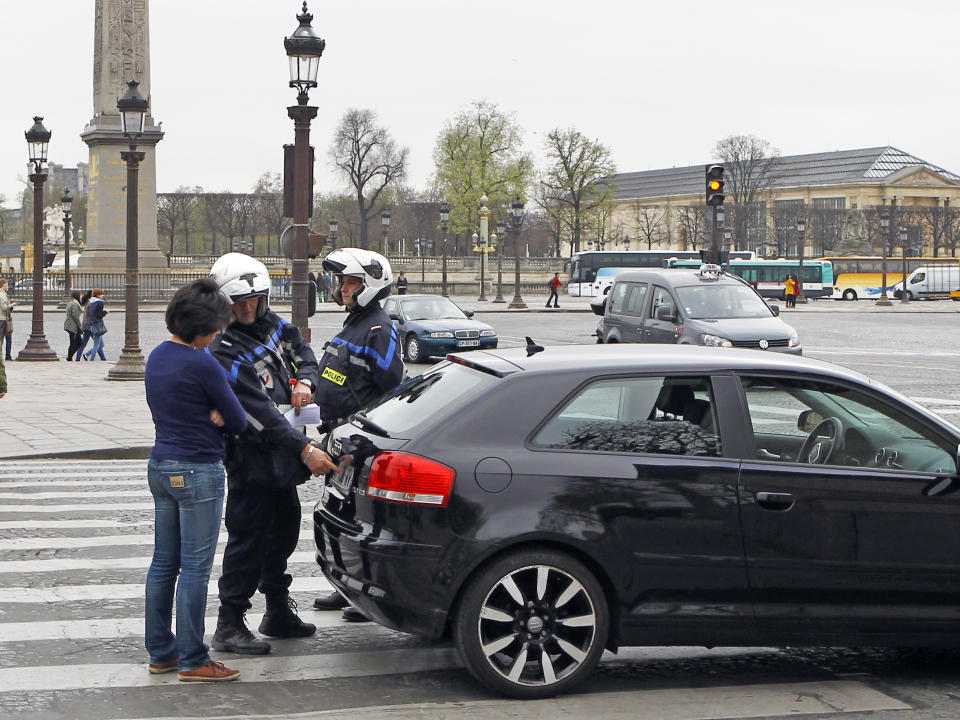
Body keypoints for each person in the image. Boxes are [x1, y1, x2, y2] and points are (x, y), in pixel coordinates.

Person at [207, 252, 337, 655]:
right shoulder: (222, 348)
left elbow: (305, 354)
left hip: (281, 454)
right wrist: (304, 448)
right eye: (238, 302)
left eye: (254, 299)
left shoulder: (276, 327)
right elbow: (256, 411)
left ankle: (277, 610)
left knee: (281, 533)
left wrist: (306, 384)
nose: (247, 307)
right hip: (251, 456)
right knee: (247, 538)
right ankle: (230, 622)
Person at [144, 279, 246, 682]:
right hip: (198, 469)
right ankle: (193, 658)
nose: (220, 332)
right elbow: (236, 419)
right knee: (195, 569)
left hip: (161, 465)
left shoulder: (156, 357)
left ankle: (161, 652)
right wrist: (217, 414)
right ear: (200, 327)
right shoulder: (202, 362)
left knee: (162, 564)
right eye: (216, 326)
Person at [311, 248, 405, 620]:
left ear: (371, 284)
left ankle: (366, 596)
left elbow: (389, 387)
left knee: (361, 522)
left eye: (351, 282)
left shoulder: (379, 329)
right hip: (340, 438)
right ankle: (346, 585)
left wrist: (363, 433)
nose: (344, 288)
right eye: (344, 282)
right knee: (340, 519)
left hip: (358, 444)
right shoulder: (355, 323)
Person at [83, 289, 108, 360]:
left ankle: (86, 354)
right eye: (101, 294)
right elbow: (99, 314)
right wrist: (105, 312)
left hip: (92, 323)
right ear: (98, 295)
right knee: (96, 345)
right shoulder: (100, 303)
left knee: (101, 344)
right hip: (98, 324)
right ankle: (92, 360)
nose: (102, 295)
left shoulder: (92, 302)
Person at [64, 290, 82, 361]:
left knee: (78, 342)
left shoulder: (72, 302)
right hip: (72, 325)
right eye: (80, 295)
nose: (81, 296)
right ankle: (69, 357)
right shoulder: (75, 303)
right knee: (74, 342)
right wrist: (78, 322)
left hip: (71, 325)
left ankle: (70, 356)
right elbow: (74, 314)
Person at [0, 279, 13, 360]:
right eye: (7, 285)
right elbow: (4, 308)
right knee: (3, 338)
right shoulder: (2, 295)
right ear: (3, 285)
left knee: (8, 338)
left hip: (5, 319)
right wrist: (11, 305)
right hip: (2, 319)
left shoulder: (3, 294)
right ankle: (6, 356)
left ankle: (7, 355)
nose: (8, 287)